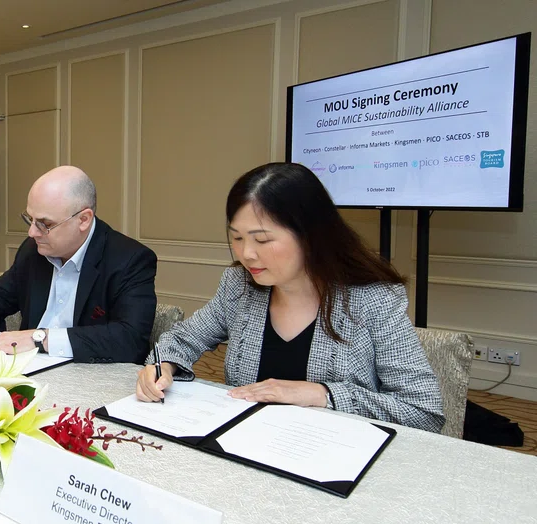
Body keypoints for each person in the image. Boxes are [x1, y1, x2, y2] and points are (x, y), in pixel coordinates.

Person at [135, 162, 444, 431]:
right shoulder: (240, 286)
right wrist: (163, 367)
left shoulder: (373, 299)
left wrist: (321, 394)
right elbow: (183, 339)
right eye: (237, 237)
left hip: (332, 456)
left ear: (310, 236)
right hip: (246, 445)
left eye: (262, 239)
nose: (246, 254)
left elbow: (423, 411)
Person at [0, 165, 157, 364]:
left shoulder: (130, 260)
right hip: (28, 367)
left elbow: (130, 339)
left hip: (88, 376)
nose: (32, 232)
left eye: (44, 224)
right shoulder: (34, 249)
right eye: (29, 219)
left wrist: (39, 338)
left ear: (83, 219)